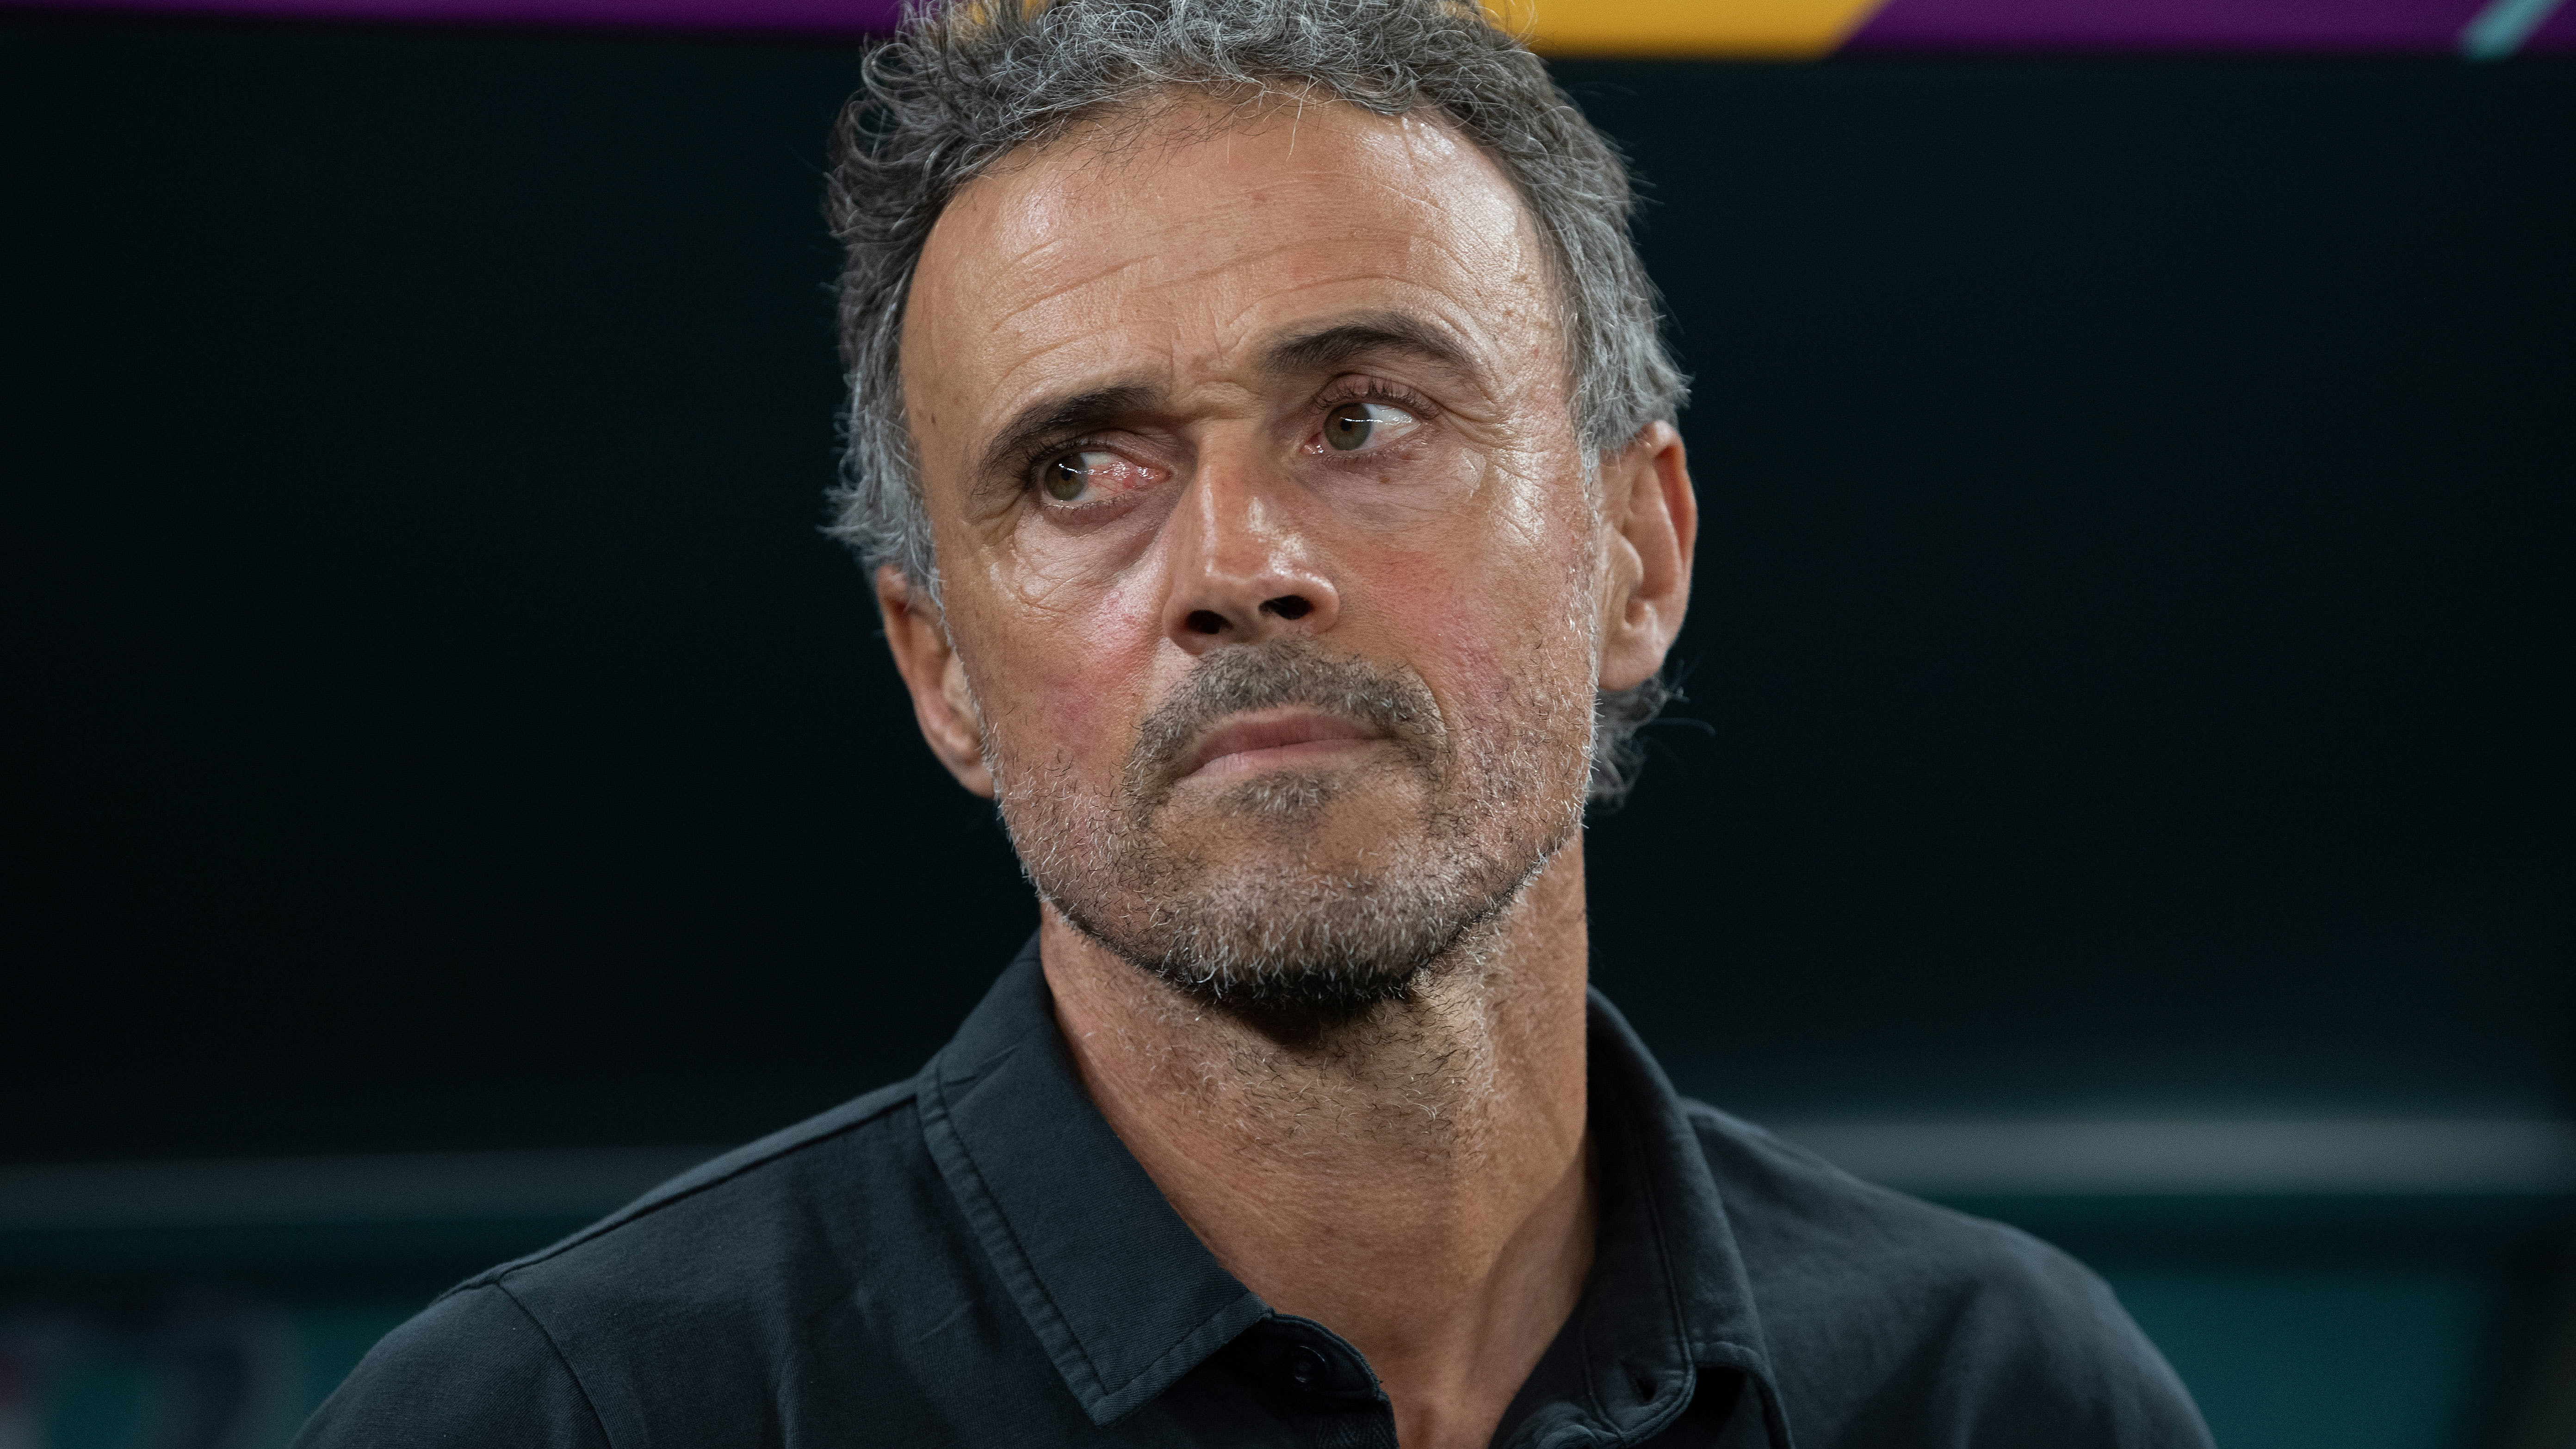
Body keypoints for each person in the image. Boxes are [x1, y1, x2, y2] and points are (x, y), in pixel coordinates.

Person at [295, 0, 2213, 1444]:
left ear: (1640, 550)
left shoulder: (2014, 1398)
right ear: (940, 668)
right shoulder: (567, 1422)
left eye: (1366, 414)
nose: (1239, 560)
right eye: (1078, 469)